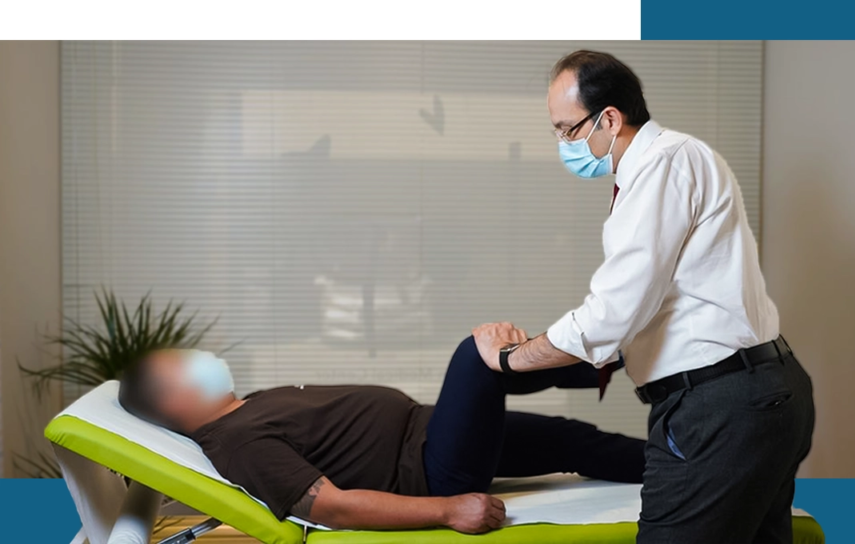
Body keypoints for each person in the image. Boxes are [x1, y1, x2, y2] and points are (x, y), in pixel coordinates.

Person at [470, 50, 816, 544]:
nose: (564, 144)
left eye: (567, 130)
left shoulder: (662, 166)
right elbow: (638, 313)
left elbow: (612, 314)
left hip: (720, 405)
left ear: (609, 118)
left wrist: (509, 359)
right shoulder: (668, 164)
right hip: (758, 392)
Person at [117, 336, 644, 534]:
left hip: (430, 431)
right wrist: (449, 510)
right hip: (431, 471)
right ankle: (622, 357)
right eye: (187, 365)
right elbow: (333, 508)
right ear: (173, 401)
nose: (203, 358)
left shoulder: (248, 406)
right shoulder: (237, 443)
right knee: (475, 357)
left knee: (573, 440)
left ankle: (691, 461)